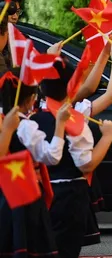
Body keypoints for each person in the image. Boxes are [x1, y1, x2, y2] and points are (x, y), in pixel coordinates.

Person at [33, 46, 112, 258]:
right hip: (69, 197)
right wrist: (108, 136)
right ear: (72, 85)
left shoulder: (30, 114)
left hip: (38, 194)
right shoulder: (75, 117)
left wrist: (105, 53)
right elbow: (87, 164)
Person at [0, 71, 66, 257]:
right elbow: (52, 156)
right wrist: (60, 124)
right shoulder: (25, 126)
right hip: (25, 195)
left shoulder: (3, 121)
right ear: (30, 100)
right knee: (26, 245)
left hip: (3, 194)